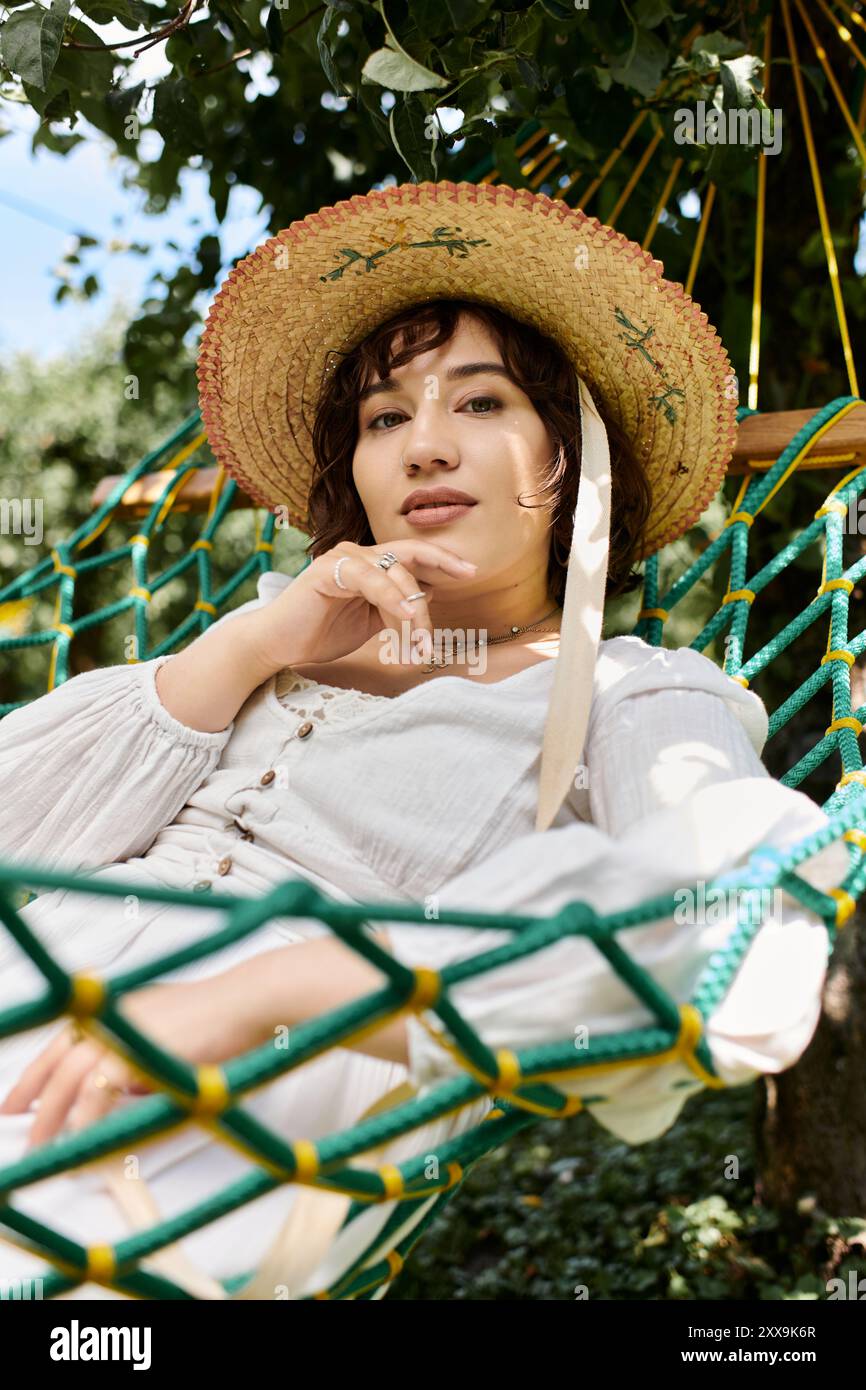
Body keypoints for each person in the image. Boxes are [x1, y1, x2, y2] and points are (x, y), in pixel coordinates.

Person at [0, 180, 850, 1301]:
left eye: (483, 403)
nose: (424, 448)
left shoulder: (629, 695)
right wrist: (250, 646)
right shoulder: (267, 640)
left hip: (235, 1115)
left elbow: (740, 931)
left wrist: (270, 989)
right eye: (384, 419)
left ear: (569, 459)